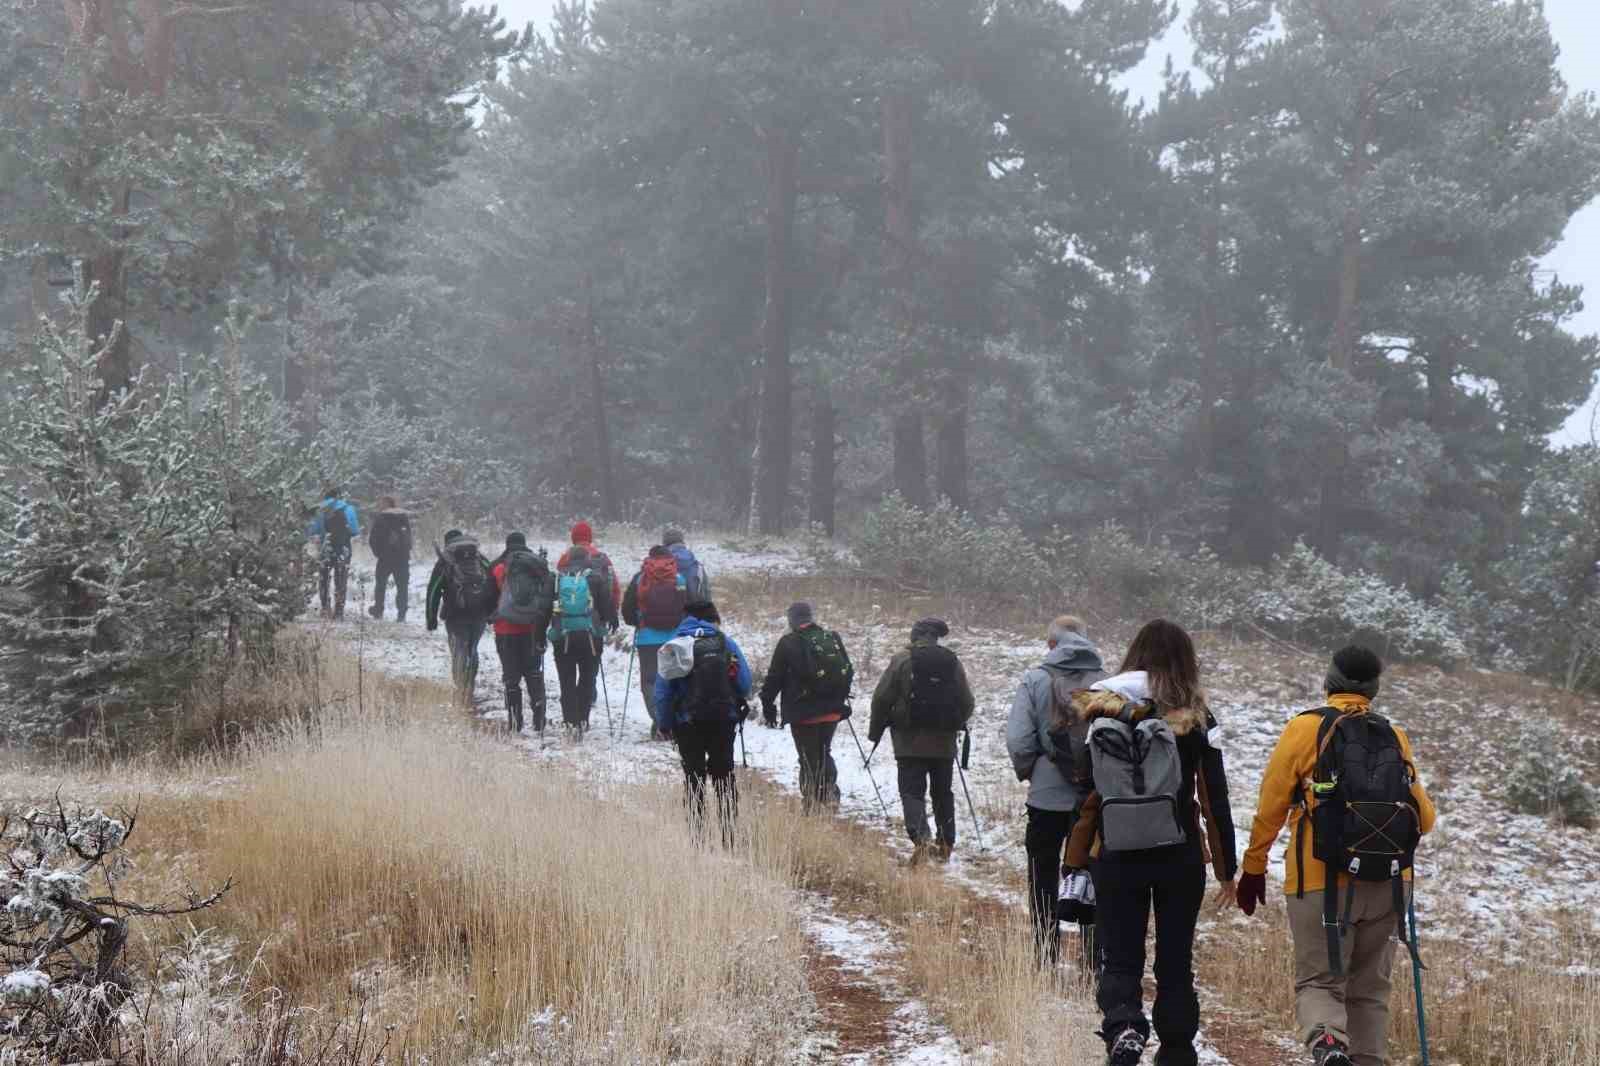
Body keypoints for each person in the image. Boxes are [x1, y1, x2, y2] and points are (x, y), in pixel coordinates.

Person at [1235, 645, 1437, 1066]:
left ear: (1329, 681)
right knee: (1369, 991)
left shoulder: (1304, 729)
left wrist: (1253, 868)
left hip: (1319, 881)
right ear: (1374, 690)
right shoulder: (1393, 734)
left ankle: (1328, 1046)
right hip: (1390, 883)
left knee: (1320, 982)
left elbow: (1271, 807)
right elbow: (1427, 818)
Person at [1070, 619, 1237, 1066]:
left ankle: (1124, 1026)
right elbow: (1214, 797)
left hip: (1116, 850)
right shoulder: (1195, 712)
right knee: (1175, 960)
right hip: (1179, 853)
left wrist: (1077, 858)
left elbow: (1085, 787)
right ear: (1185, 659)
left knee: (1120, 955)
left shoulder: (1102, 705)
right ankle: (1178, 1050)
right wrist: (1227, 870)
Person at [1005, 614, 1106, 967]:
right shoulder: (1108, 683)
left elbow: (1018, 738)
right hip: (1095, 799)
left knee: (1042, 873)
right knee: (1093, 876)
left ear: (1052, 644)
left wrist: (1032, 770)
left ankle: (1045, 951)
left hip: (1047, 797)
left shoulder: (1036, 679)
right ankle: (1095, 959)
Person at [867, 618, 974, 864]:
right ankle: (946, 842)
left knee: (912, 792)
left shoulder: (902, 659)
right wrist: (953, 723)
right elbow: (967, 701)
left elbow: (881, 698)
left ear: (914, 636)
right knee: (942, 793)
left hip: (908, 741)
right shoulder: (951, 661)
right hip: (944, 743)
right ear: (937, 637)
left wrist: (876, 732)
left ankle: (922, 839)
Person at [653, 600, 753, 847]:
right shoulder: (724, 642)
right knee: (724, 776)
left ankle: (698, 838)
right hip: (722, 719)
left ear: (686, 617)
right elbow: (745, 683)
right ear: (712, 618)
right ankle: (729, 835)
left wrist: (664, 724)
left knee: (694, 777)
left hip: (687, 723)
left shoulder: (675, 643)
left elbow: (663, 691)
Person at [759, 602, 854, 813]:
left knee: (807, 757)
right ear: (811, 617)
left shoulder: (788, 642)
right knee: (824, 751)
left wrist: (768, 705)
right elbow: (847, 669)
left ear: (791, 620)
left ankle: (811, 803)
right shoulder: (831, 637)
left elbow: (774, 677)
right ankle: (829, 793)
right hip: (832, 710)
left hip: (803, 712)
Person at [489, 532, 555, 735]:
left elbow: (488, 598)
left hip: (505, 630)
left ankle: (515, 723)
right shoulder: (537, 567)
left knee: (511, 679)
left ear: (507, 546)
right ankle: (540, 719)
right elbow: (547, 598)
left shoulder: (499, 568)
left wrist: (491, 615)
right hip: (531, 629)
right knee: (534, 675)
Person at [549, 543, 617, 735]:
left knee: (566, 679)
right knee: (587, 678)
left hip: (563, 636)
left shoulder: (557, 579)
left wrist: (540, 634)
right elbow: (607, 605)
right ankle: (583, 719)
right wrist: (610, 621)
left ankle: (570, 723)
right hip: (590, 637)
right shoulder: (595, 578)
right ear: (587, 559)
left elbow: (547, 608)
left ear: (569, 560)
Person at [622, 544, 688, 739]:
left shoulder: (640, 578)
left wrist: (637, 622)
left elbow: (626, 609)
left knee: (649, 682)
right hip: (674, 639)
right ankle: (672, 722)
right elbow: (689, 607)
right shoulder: (679, 578)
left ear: (649, 558)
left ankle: (660, 722)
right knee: (674, 680)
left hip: (647, 639)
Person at [426, 529, 494, 701]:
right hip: (479, 613)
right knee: (472, 648)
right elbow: (493, 583)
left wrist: (431, 617)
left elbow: (433, 591)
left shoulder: (445, 561)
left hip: (455, 614)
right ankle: (469, 686)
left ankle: (460, 687)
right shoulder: (479, 559)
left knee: (459, 650)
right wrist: (492, 611)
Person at [557, 521, 621, 633]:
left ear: (573, 538)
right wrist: (612, 613)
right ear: (590, 537)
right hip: (596, 618)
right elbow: (614, 587)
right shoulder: (602, 558)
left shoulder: (565, 558)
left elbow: (557, 589)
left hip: (568, 620)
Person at [306, 486, 360, 620]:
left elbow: (313, 530)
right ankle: (339, 612)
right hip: (343, 547)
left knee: (324, 578)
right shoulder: (348, 508)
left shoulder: (321, 509)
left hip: (326, 547)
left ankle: (325, 608)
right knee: (341, 578)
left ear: (326, 497)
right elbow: (354, 530)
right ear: (339, 496)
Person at [367, 495, 413, 622]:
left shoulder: (381, 518)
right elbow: (409, 539)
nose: (379, 505)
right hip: (402, 558)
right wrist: (406, 552)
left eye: (381, 503)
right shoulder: (403, 517)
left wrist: (379, 553)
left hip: (385, 558)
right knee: (402, 587)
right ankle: (402, 614)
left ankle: (378, 611)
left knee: (381, 585)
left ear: (386, 505)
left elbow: (373, 539)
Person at [662, 528, 711, 601]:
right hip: (692, 609)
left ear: (664, 543)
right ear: (682, 541)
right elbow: (706, 594)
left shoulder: (655, 565)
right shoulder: (698, 566)